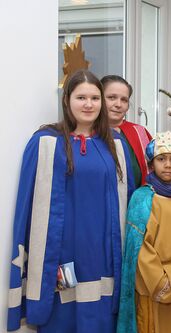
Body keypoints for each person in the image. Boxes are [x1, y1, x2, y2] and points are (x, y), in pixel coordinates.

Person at [7, 69, 135, 332]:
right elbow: (27, 209)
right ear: (67, 100)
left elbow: (129, 202)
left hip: (104, 257)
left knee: (100, 319)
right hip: (62, 260)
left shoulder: (117, 145)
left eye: (95, 98)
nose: (88, 104)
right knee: (63, 315)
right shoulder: (45, 143)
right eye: (81, 97)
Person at [117, 131, 171, 333]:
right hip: (153, 288)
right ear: (151, 163)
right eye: (161, 159)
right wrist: (164, 282)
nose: (168, 165)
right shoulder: (142, 199)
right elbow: (140, 250)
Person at [101, 75, 152, 187]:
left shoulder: (140, 133)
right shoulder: (88, 134)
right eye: (111, 97)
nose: (118, 104)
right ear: (98, 99)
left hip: (136, 202)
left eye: (124, 100)